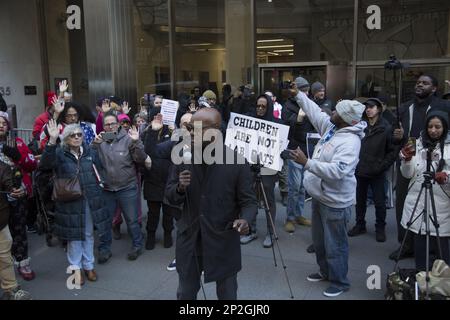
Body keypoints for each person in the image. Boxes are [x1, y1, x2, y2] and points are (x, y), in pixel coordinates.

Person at [165, 108, 257, 300]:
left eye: (196, 128)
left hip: (222, 240)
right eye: (190, 127)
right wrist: (180, 189)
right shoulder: (182, 154)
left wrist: (245, 220)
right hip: (190, 239)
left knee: (227, 295)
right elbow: (169, 195)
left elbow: (249, 202)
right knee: (186, 293)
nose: (190, 132)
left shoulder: (237, 162)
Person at [290, 85, 366, 297]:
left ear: (346, 119)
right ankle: (325, 272)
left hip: (335, 203)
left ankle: (340, 282)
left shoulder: (351, 141)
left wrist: (307, 164)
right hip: (319, 197)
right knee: (321, 242)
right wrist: (298, 95)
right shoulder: (333, 128)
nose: (331, 113)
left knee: (336, 246)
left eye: (336, 112)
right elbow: (314, 111)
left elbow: (337, 172)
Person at [39, 121, 109, 284]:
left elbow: (99, 170)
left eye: (79, 134)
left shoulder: (90, 151)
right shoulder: (59, 153)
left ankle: (89, 266)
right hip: (69, 201)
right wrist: (51, 141)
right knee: (74, 237)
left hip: (90, 199)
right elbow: (45, 165)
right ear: (66, 139)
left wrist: (100, 185)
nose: (77, 137)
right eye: (72, 135)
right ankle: (75, 268)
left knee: (88, 234)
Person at [390, 74, 450, 260]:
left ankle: (434, 248)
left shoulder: (444, 106)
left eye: (425, 83)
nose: (420, 85)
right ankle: (406, 244)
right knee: (404, 202)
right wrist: (397, 138)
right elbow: (393, 135)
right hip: (409, 160)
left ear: (434, 88)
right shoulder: (404, 107)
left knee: (436, 205)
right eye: (418, 82)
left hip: (437, 159)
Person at [399, 111, 450, 270]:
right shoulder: (414, 142)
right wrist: (406, 160)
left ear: (445, 127)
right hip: (417, 199)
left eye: (438, 127)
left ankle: (443, 283)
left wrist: (446, 176)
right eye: (430, 126)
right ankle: (421, 278)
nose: (433, 130)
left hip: (441, 203)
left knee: (442, 246)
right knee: (419, 242)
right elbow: (407, 174)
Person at [93, 112, 146, 263]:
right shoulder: (101, 140)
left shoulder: (129, 139)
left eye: (113, 123)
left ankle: (137, 245)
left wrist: (136, 142)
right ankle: (104, 249)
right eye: (107, 124)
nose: (110, 126)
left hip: (127, 187)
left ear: (118, 124)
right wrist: (93, 145)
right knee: (106, 221)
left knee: (132, 220)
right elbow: (90, 159)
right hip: (108, 189)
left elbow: (141, 158)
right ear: (103, 127)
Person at [347, 98, 398, 242]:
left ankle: (380, 228)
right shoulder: (360, 126)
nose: (368, 109)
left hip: (377, 171)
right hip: (361, 169)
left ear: (379, 109)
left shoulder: (387, 127)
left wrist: (382, 166)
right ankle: (360, 224)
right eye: (367, 107)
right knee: (360, 200)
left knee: (380, 202)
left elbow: (392, 151)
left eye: (372, 107)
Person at [0, 112, 37, 280]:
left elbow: (32, 164)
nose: (1, 125)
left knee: (19, 231)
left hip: (17, 195)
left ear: (8, 127)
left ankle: (22, 262)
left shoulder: (17, 142)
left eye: (3, 123)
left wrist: (18, 156)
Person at [239, 94, 279, 248]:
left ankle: (271, 232)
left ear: (269, 107)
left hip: (268, 167)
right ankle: (251, 230)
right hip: (250, 166)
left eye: (263, 106)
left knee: (268, 200)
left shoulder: (276, 123)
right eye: (258, 106)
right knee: (250, 198)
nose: (260, 109)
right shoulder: (249, 121)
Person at [281, 76, 313, 233]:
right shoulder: (288, 106)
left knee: (302, 186)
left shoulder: (310, 104)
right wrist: (299, 119)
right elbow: (286, 127)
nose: (307, 93)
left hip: (307, 150)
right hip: (294, 149)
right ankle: (290, 218)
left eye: (308, 90)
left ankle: (299, 214)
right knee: (294, 186)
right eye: (304, 90)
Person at [143, 113, 176, 250]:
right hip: (152, 179)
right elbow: (148, 151)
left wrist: (174, 132)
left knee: (168, 213)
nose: (159, 119)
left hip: (168, 180)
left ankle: (168, 234)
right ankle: (151, 236)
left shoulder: (172, 131)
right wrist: (153, 130)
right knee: (153, 213)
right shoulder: (148, 132)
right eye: (156, 117)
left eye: (161, 116)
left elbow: (176, 152)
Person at [0, 160, 31, 299]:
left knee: (4, 256)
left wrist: (14, 190)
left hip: (0, 221)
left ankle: (11, 289)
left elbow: (8, 182)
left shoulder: (3, 167)